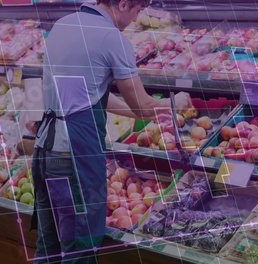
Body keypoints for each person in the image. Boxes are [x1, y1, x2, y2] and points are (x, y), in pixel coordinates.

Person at [31, 0, 192, 263]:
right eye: (138, 10)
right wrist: (174, 104)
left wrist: (134, 111)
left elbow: (86, 95)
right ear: (123, 3)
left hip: (47, 151)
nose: (135, 19)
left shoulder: (62, 26)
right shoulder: (111, 37)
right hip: (75, 160)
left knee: (48, 248)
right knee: (78, 249)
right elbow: (143, 105)